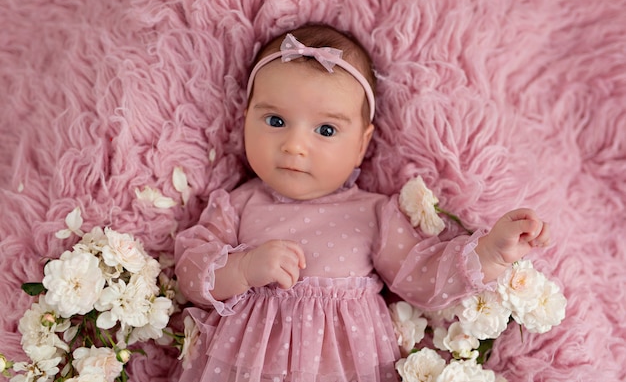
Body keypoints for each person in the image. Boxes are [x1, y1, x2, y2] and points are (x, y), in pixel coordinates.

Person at [174, 24, 550, 382]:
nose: (294, 145)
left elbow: (422, 276)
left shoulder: (373, 213)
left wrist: (489, 253)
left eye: (326, 130)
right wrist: (243, 268)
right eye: (275, 120)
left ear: (361, 145)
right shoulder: (238, 204)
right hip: (248, 366)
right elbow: (191, 271)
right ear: (244, 121)